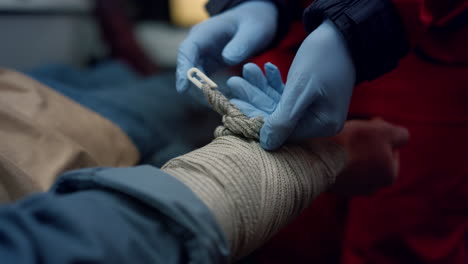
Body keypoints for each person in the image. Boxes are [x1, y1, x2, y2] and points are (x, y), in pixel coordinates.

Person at [0, 63, 409, 262]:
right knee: (182, 96)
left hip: (18, 90)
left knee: (137, 73)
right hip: (79, 132)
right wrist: (327, 158)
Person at [176, 0, 468, 263]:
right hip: (291, 53)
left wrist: (366, 19)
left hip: (428, 68)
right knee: (286, 232)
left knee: (395, 240)